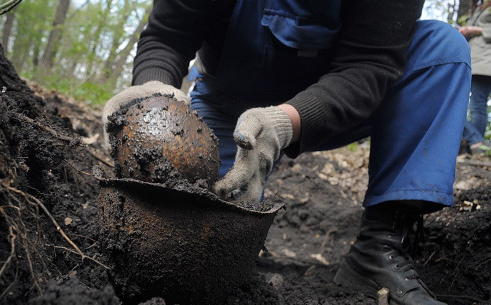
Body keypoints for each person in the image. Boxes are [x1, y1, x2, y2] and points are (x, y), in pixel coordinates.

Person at [102, 1, 471, 304]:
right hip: (226, 104)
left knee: (442, 49)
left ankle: (380, 246)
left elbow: (370, 66)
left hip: (339, 103)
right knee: (199, 235)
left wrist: (283, 123)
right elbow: (168, 36)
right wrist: (152, 95)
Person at [459, 0, 491, 155]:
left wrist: (472, 29)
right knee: (462, 104)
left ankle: (475, 142)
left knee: (478, 105)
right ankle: (474, 143)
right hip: (471, 61)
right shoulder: (478, 8)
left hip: (485, 61)